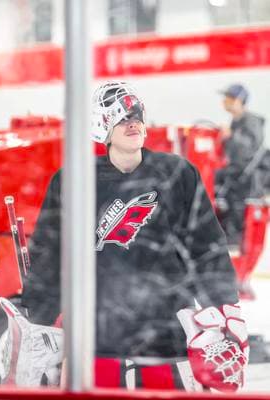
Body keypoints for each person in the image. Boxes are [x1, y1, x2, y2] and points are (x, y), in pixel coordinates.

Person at [19, 81, 248, 391]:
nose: (133, 123)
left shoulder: (177, 174)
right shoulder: (74, 180)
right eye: (123, 118)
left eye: (137, 116)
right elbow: (49, 255)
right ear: (102, 126)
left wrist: (226, 309)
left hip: (166, 339)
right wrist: (39, 322)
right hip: (98, 339)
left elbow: (207, 248)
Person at [216, 83, 266, 245]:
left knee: (237, 210)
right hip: (236, 177)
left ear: (239, 101)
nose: (225, 101)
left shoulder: (251, 121)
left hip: (247, 181)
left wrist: (230, 136)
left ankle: (234, 242)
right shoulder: (236, 121)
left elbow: (249, 149)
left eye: (229, 98)